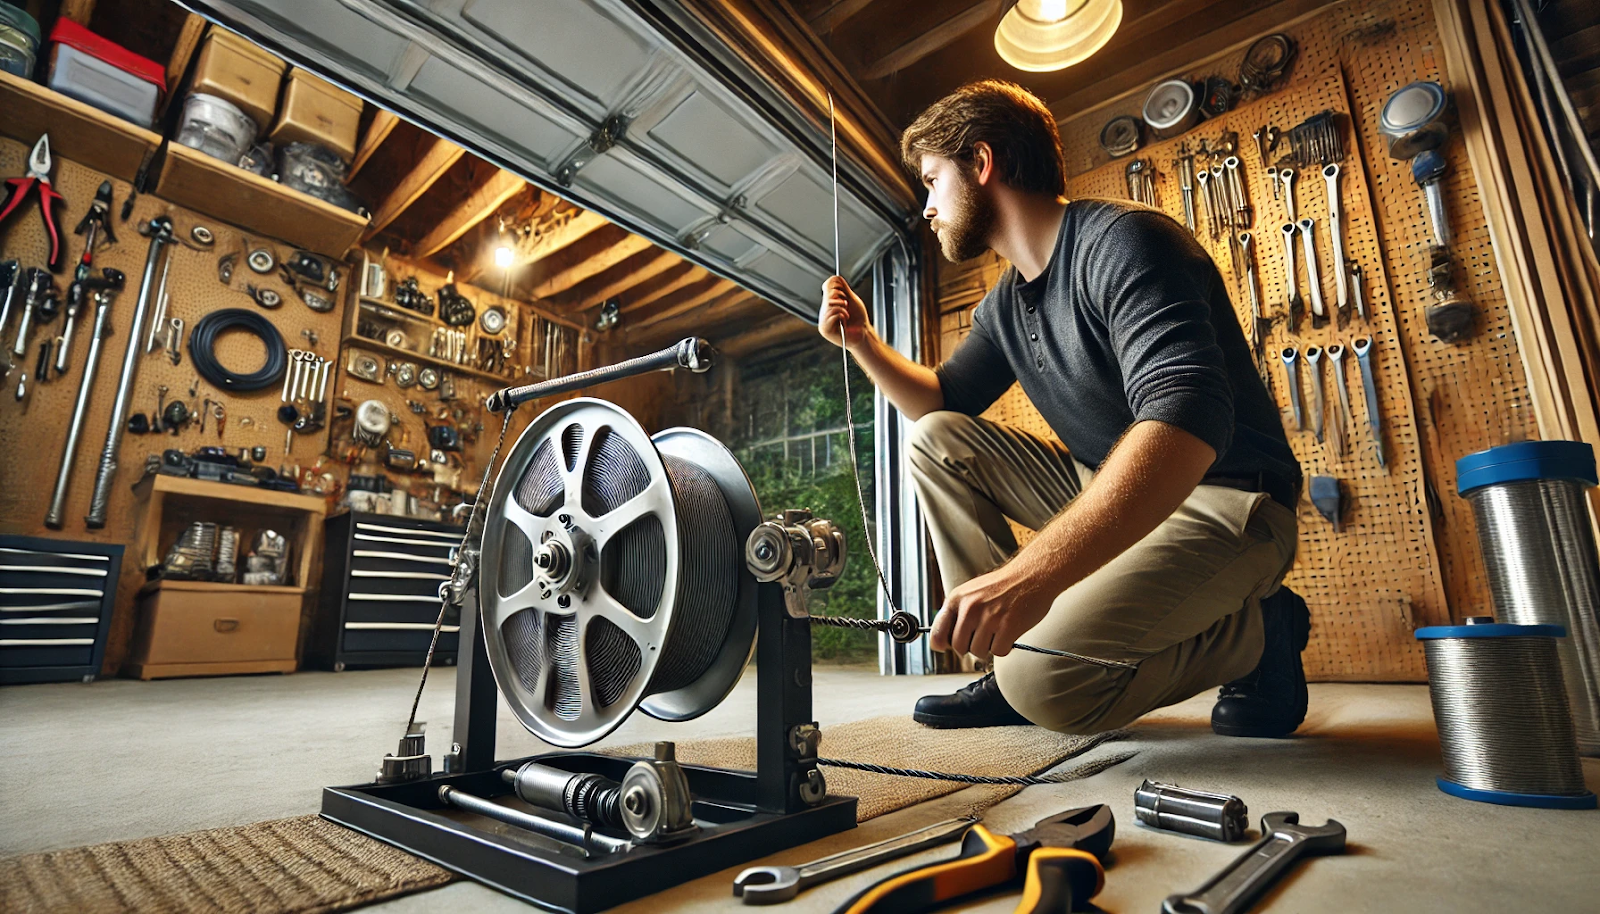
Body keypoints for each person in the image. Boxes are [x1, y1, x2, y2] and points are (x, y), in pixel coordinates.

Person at [818, 80, 1308, 739]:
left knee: (1047, 687)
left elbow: (1188, 419)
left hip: (1230, 502)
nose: (928, 209)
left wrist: (1029, 577)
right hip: (1110, 486)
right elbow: (941, 403)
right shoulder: (1005, 303)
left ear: (982, 163)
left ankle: (1261, 632)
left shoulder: (1127, 241)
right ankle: (1001, 659)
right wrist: (864, 343)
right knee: (936, 438)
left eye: (934, 181)